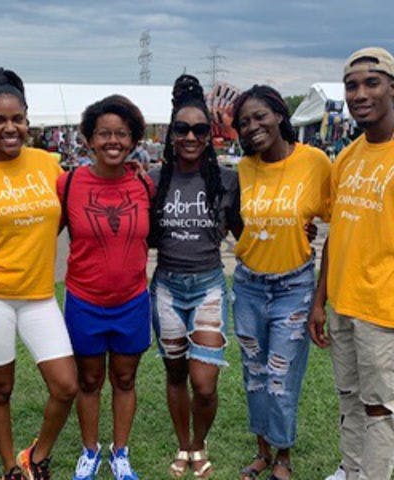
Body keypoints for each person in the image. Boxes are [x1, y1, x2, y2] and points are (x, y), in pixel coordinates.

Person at [0, 68, 78, 480]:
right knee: (1, 388)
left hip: (39, 295)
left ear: (27, 119)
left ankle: (36, 456)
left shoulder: (48, 164)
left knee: (65, 385)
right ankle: (11, 467)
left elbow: (66, 211)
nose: (10, 128)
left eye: (18, 119)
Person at [231, 85, 331, 480]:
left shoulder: (314, 161)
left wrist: (321, 297)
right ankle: (262, 451)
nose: (253, 126)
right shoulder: (244, 168)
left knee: (281, 376)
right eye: (244, 122)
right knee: (254, 374)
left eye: (260, 116)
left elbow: (334, 219)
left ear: (279, 115)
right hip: (248, 286)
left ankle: (283, 456)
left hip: (294, 287)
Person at [148, 74, 240, 479]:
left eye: (200, 130)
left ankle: (199, 442)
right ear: (171, 133)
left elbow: (245, 232)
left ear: (210, 135)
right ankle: (184, 445)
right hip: (167, 287)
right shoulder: (153, 180)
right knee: (175, 373)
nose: (190, 136)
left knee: (204, 384)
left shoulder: (227, 180)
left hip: (208, 288)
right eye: (182, 129)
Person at [309, 47, 394, 480]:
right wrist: (319, 300)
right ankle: (351, 468)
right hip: (343, 303)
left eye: (371, 83)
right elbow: (336, 234)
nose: (360, 94)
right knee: (349, 396)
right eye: (351, 85)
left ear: (392, 89)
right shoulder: (346, 156)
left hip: (383, 310)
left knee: (380, 407)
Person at [58, 95, 153, 480]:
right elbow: (40, 231)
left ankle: (120, 452)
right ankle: (90, 450)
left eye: (122, 134)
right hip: (84, 301)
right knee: (90, 380)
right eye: (104, 133)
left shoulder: (144, 183)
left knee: (125, 379)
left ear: (133, 140)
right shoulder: (69, 183)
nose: (113, 141)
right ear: (89, 139)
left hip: (132, 301)